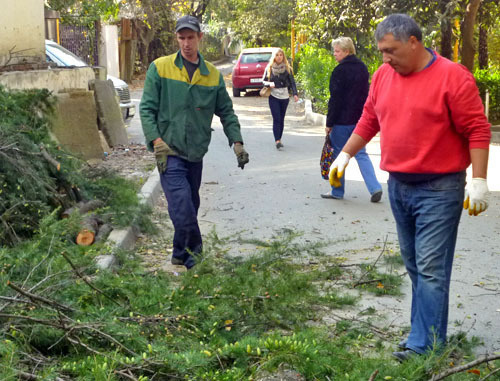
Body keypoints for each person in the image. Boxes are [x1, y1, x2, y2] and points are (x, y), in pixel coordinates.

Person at [328, 14, 490, 361]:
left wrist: (478, 180)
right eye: (381, 51)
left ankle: (424, 348)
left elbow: (477, 129)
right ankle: (423, 335)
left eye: (391, 50)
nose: (385, 58)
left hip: (439, 187)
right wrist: (344, 155)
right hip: (399, 185)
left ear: (414, 42)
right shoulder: (384, 75)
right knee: (416, 266)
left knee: (431, 269)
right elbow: (370, 118)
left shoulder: (452, 77)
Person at [140, 15, 249, 269]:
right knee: (182, 205)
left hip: (196, 151)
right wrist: (156, 141)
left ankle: (179, 252)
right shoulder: (160, 68)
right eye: (181, 38)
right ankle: (195, 259)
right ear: (176, 38)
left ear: (200, 37)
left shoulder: (211, 75)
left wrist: (237, 142)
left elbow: (226, 112)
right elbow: (146, 109)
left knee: (191, 204)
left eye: (190, 37)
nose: (186, 43)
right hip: (167, 150)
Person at [322, 37, 383, 202]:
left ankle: (337, 191)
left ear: (347, 51)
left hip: (341, 121)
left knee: (338, 154)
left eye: (337, 51)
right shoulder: (362, 68)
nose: (335, 54)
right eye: (334, 50)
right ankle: (375, 187)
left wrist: (329, 123)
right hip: (359, 120)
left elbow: (335, 100)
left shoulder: (339, 71)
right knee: (361, 154)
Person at [262, 48, 299, 149]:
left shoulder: (288, 68)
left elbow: (292, 82)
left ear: (283, 57)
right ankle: (277, 140)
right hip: (273, 96)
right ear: (274, 57)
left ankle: (280, 138)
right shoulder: (269, 68)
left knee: (281, 119)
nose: (279, 57)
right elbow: (263, 81)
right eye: (277, 55)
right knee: (276, 118)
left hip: (284, 96)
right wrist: (270, 83)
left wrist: (295, 94)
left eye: (281, 55)